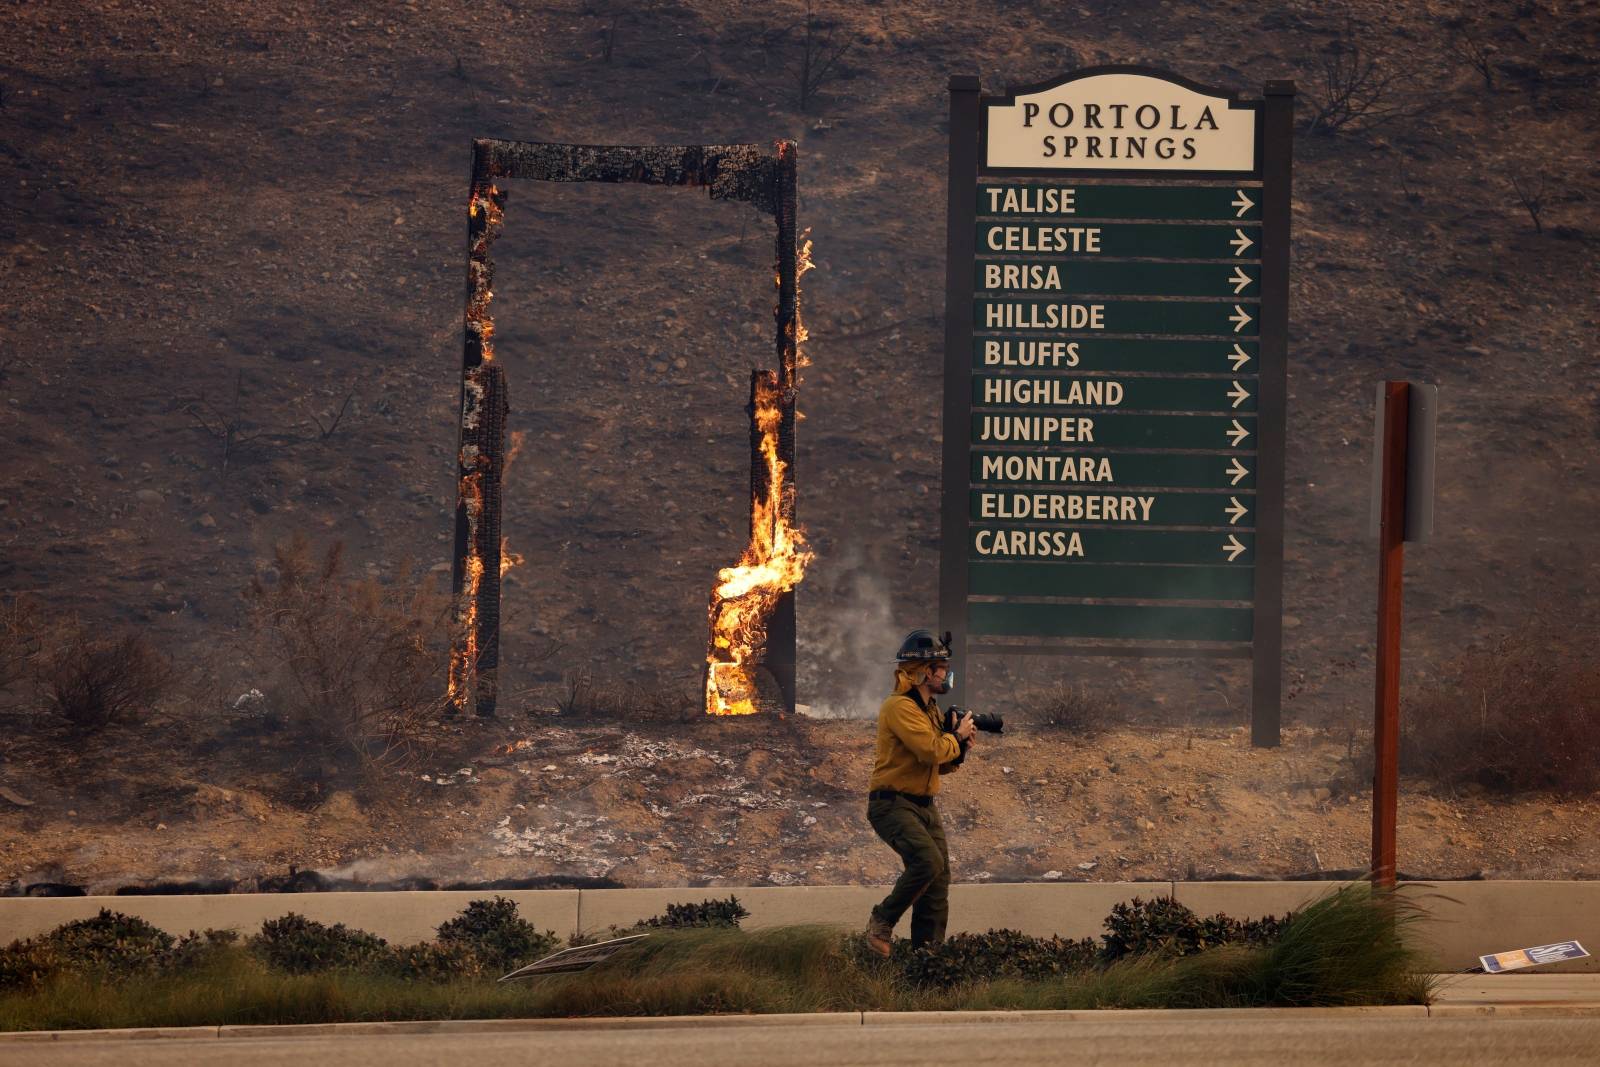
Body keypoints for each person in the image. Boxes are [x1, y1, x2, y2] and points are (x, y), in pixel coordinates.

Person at [864, 629, 977, 957]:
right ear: (923, 672)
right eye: (940, 668)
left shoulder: (929, 711)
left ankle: (927, 960)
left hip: (923, 805)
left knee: (938, 879)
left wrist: (959, 748)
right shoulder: (899, 708)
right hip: (892, 804)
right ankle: (881, 921)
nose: (945, 674)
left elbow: (939, 763)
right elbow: (930, 750)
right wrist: (955, 736)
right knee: (927, 862)